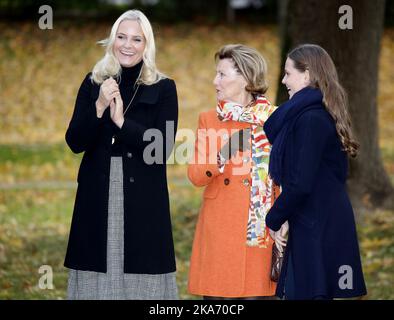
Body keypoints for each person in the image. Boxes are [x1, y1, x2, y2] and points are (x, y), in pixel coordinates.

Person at [64, 9, 179, 300]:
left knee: (140, 272)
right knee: (96, 268)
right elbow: (75, 141)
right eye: (122, 37)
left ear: (147, 45)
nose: (128, 45)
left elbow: (161, 147)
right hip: (97, 193)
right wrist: (99, 107)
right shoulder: (93, 83)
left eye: (137, 39)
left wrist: (122, 124)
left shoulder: (164, 88)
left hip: (143, 200)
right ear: (112, 40)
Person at [264, 44, 367, 300]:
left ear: (307, 74)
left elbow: (300, 182)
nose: (283, 80)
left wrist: (273, 218)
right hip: (313, 219)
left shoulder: (311, 119)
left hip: (317, 224)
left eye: (288, 73)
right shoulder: (313, 114)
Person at [187, 44, 287, 299]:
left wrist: (285, 217)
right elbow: (196, 175)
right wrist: (223, 153)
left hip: (263, 232)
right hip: (220, 229)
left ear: (245, 78)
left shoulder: (275, 119)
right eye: (216, 74)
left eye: (222, 75)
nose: (214, 81)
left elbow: (288, 177)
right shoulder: (209, 119)